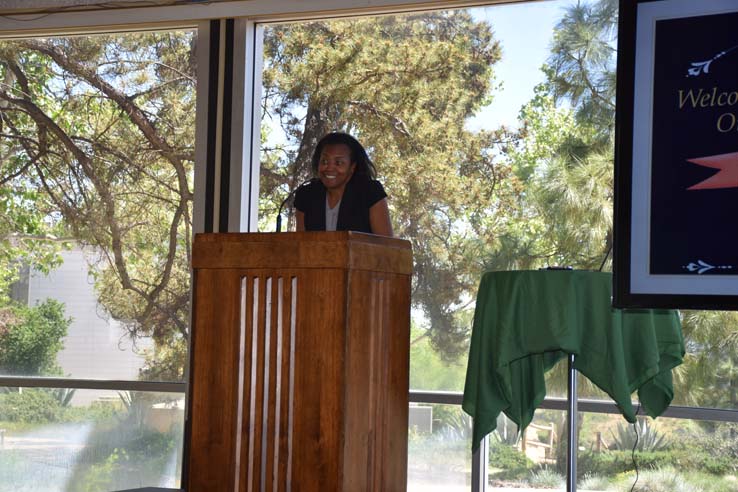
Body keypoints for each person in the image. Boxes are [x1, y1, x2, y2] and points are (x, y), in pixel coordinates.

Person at [294, 132, 393, 236]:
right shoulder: (306, 195)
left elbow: (387, 247)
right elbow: (301, 245)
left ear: (352, 167)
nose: (330, 168)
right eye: (324, 161)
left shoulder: (370, 192)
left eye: (338, 163)